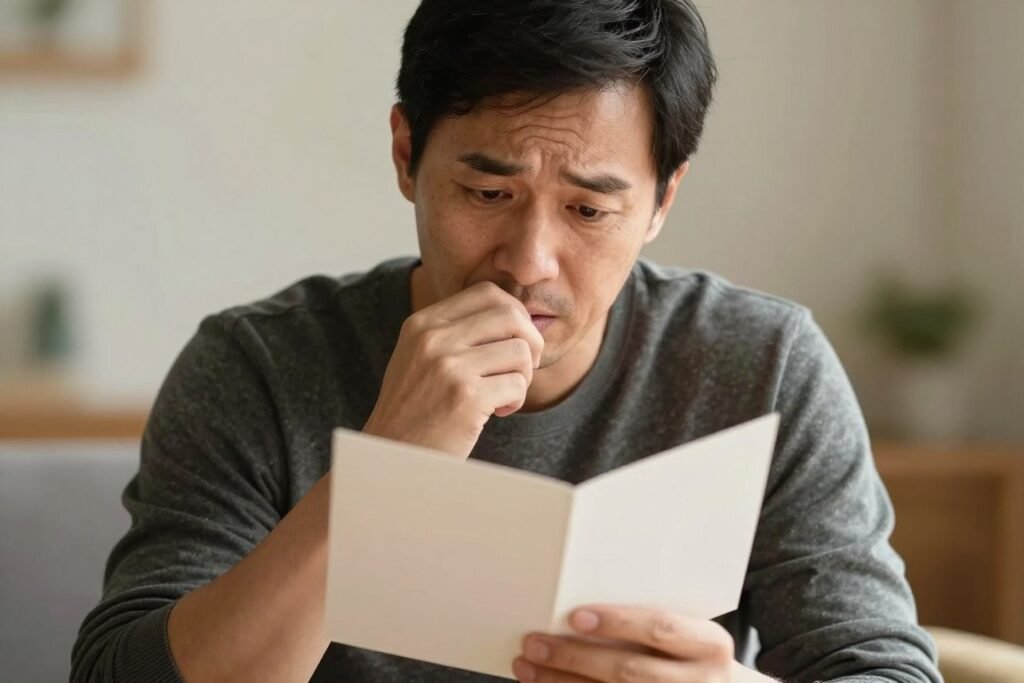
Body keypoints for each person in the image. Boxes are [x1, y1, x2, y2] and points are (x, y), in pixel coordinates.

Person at [72, 1, 942, 681]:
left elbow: (882, 666)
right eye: (488, 194)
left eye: (589, 209)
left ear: (662, 200)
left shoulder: (762, 365)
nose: (529, 262)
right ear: (406, 153)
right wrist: (390, 465)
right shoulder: (257, 366)